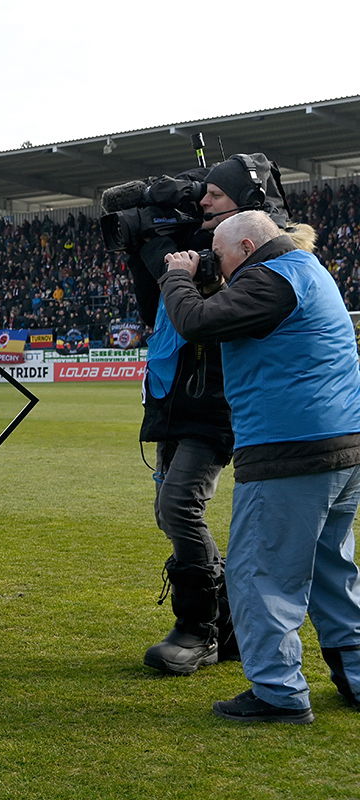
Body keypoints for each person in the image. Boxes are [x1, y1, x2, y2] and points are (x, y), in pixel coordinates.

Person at [161, 210, 360, 723]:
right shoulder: (306, 269)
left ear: (247, 248)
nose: (216, 265)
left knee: (260, 574)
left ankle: (278, 692)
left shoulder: (270, 279)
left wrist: (177, 276)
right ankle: (356, 677)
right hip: (339, 444)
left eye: (220, 255)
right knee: (332, 571)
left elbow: (195, 322)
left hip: (288, 449)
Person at [128, 154, 298, 675]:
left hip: (217, 405)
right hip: (176, 399)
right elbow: (154, 304)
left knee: (180, 506)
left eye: (215, 194)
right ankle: (227, 628)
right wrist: (147, 241)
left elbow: (207, 317)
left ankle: (199, 628)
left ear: (247, 203)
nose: (203, 202)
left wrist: (188, 265)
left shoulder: (262, 255)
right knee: (168, 512)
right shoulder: (196, 246)